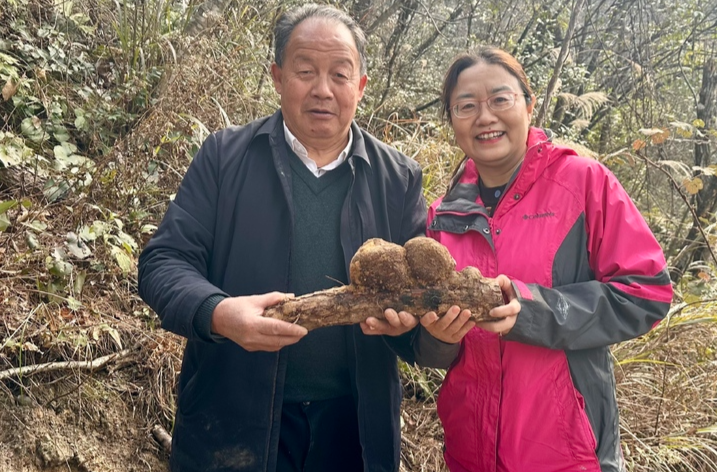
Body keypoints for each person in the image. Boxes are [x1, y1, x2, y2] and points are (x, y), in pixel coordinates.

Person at [137, 5, 458, 472]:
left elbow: (420, 313)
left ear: (361, 86)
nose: (322, 89)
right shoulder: (225, 158)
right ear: (277, 76)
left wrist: (432, 333)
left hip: (354, 429)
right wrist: (219, 313)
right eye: (305, 71)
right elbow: (163, 262)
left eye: (340, 74)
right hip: (232, 419)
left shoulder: (398, 178)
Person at [422, 46, 673, 472]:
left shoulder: (583, 183)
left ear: (529, 103)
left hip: (568, 455)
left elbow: (647, 292)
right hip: (469, 453)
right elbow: (433, 355)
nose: (485, 117)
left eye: (500, 99)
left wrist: (532, 310)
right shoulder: (441, 217)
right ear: (452, 120)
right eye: (466, 106)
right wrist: (438, 338)